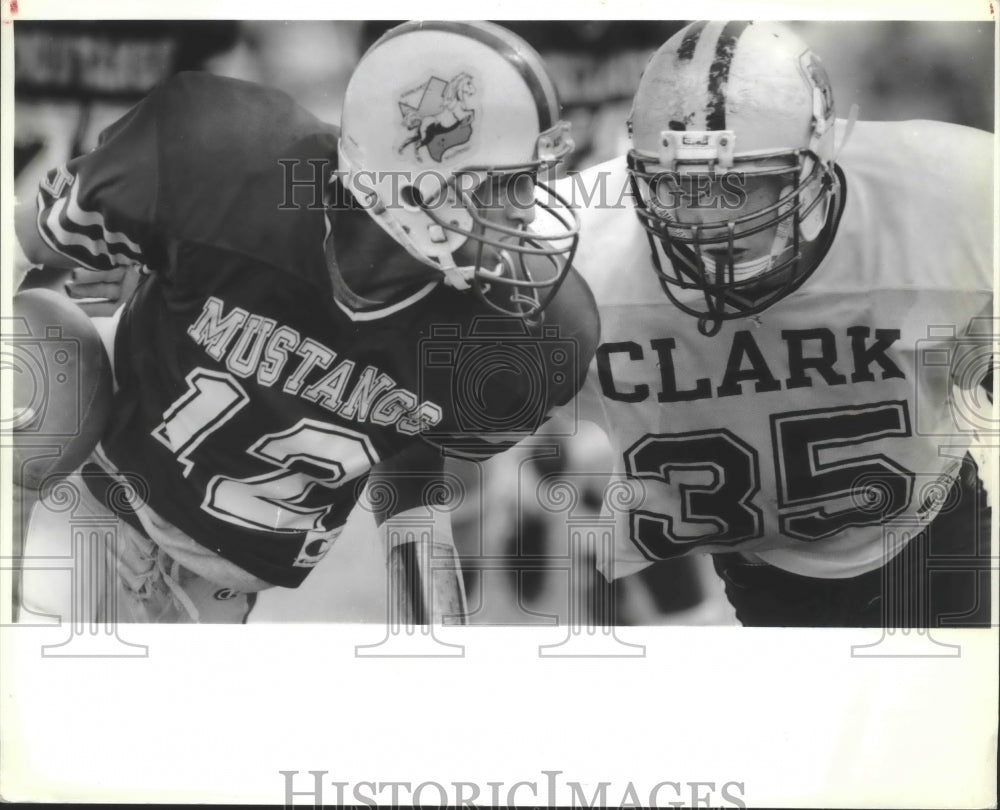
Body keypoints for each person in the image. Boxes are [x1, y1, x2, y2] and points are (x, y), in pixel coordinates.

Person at [13, 20, 599, 624]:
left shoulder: (523, 326)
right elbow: (20, 240)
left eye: (532, 181)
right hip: (90, 513)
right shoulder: (223, 158)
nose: (527, 213)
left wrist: (427, 613)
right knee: (35, 358)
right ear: (413, 177)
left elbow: (409, 430)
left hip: (220, 586)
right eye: (507, 183)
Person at [550, 20, 993, 627]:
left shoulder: (951, 195)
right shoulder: (568, 252)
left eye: (743, 185)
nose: (709, 223)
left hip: (929, 526)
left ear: (822, 156)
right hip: (755, 567)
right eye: (681, 186)